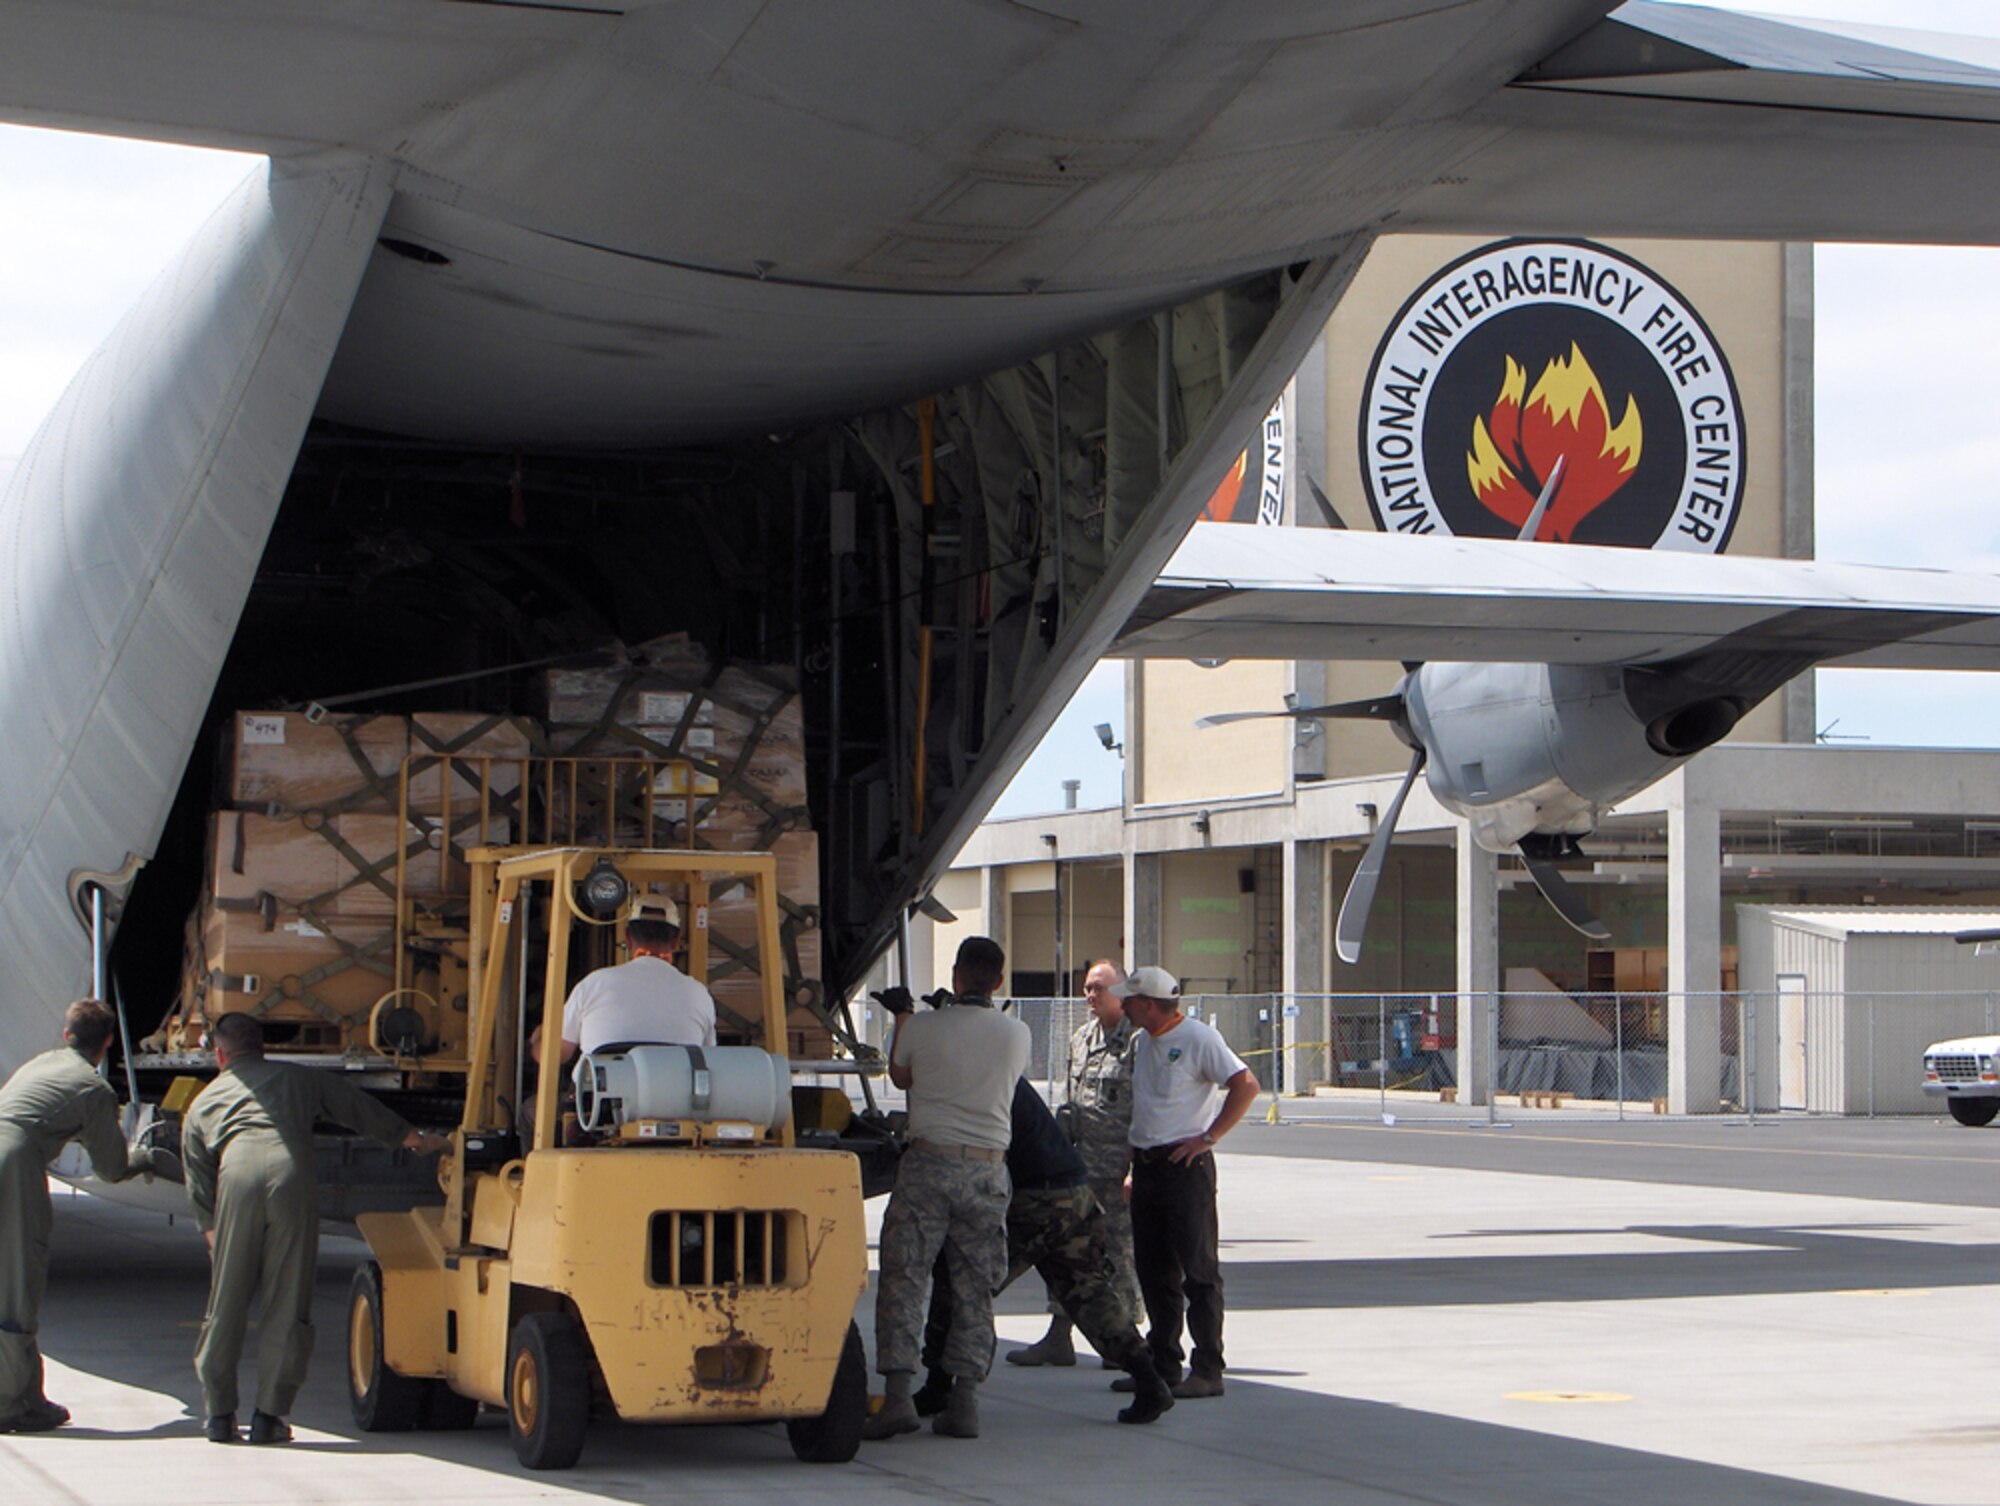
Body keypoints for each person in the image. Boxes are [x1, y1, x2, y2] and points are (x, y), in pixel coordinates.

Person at [182, 1012, 448, 1445]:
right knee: (286, 1300)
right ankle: (269, 1417)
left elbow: (197, 1175)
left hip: (236, 1178)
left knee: (226, 1302)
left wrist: (212, 1233)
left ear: (219, 1054)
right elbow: (357, 1109)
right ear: (263, 1047)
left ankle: (218, 1415)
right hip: (291, 1176)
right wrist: (412, 1139)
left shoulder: (204, 1101)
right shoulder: (297, 1078)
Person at [917, 1076, 1173, 1425]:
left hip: (1033, 1199)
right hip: (1072, 1192)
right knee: (1090, 1293)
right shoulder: (999, 1068)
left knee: (962, 1281)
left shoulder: (970, 1078)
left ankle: (941, 1384)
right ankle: (1149, 1380)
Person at [864, 936, 1030, 1443]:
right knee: (974, 1289)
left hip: (929, 1165)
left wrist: (903, 1019)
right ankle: (965, 1403)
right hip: (987, 1171)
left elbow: (901, 1075)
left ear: (956, 976)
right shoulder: (1017, 1033)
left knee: (905, 1279)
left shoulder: (925, 1026)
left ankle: (896, 1398)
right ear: (999, 980)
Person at [0, 999, 156, 1433]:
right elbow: (110, 1168)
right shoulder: (93, 1090)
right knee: (18, 1282)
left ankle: (27, 1395)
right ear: (108, 1042)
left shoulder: (41, 1063)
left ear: (66, 1034)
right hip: (14, 1162)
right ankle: (11, 1405)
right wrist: (146, 1157)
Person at [1113, 966, 1258, 1400]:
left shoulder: (1197, 1038)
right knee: (1154, 1272)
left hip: (1184, 1167)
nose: (1123, 1006)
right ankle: (1163, 1364)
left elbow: (1245, 1084)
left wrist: (1209, 1137)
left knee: (1199, 1272)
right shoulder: (1142, 1043)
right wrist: (1129, 1166)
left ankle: (1208, 1367)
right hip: (1147, 1165)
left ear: (1150, 1004)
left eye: (1130, 1000)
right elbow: (1143, 1110)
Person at [1008, 957, 1139, 1368]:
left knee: (1118, 1255)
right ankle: (1059, 1336)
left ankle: (1126, 1340)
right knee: (1065, 1252)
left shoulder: (1137, 1041)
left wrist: (1135, 1167)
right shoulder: (1081, 1038)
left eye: (1099, 988)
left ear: (1121, 992)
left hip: (1117, 1168)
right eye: (1086, 988)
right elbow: (1070, 1102)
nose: (1090, 995)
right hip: (1078, 1168)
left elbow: (1147, 1109)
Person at [532, 896, 717, 1065]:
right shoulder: (698, 993)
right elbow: (709, 1059)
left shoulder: (594, 984)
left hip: (603, 1101)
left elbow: (553, 1056)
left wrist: (539, 1038)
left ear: (627, 937)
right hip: (674, 1101)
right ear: (676, 940)